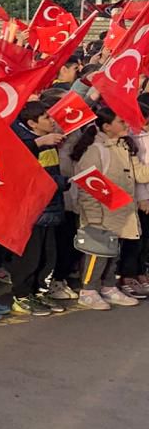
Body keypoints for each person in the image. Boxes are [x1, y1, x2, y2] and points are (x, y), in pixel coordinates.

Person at [69, 113, 139, 310]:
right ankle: (88, 290)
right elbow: (87, 185)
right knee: (96, 253)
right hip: (100, 212)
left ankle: (108, 286)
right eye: (121, 121)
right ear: (107, 126)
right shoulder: (95, 150)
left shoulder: (122, 147)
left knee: (113, 252)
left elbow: (134, 175)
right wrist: (93, 217)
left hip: (118, 211)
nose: (126, 123)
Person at [11, 103, 68, 315]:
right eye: (45, 117)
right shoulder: (25, 143)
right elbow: (24, 172)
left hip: (50, 208)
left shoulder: (51, 141)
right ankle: (22, 296)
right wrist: (61, 182)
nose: (51, 120)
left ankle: (40, 292)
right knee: (29, 256)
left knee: (48, 254)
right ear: (32, 123)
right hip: (32, 210)